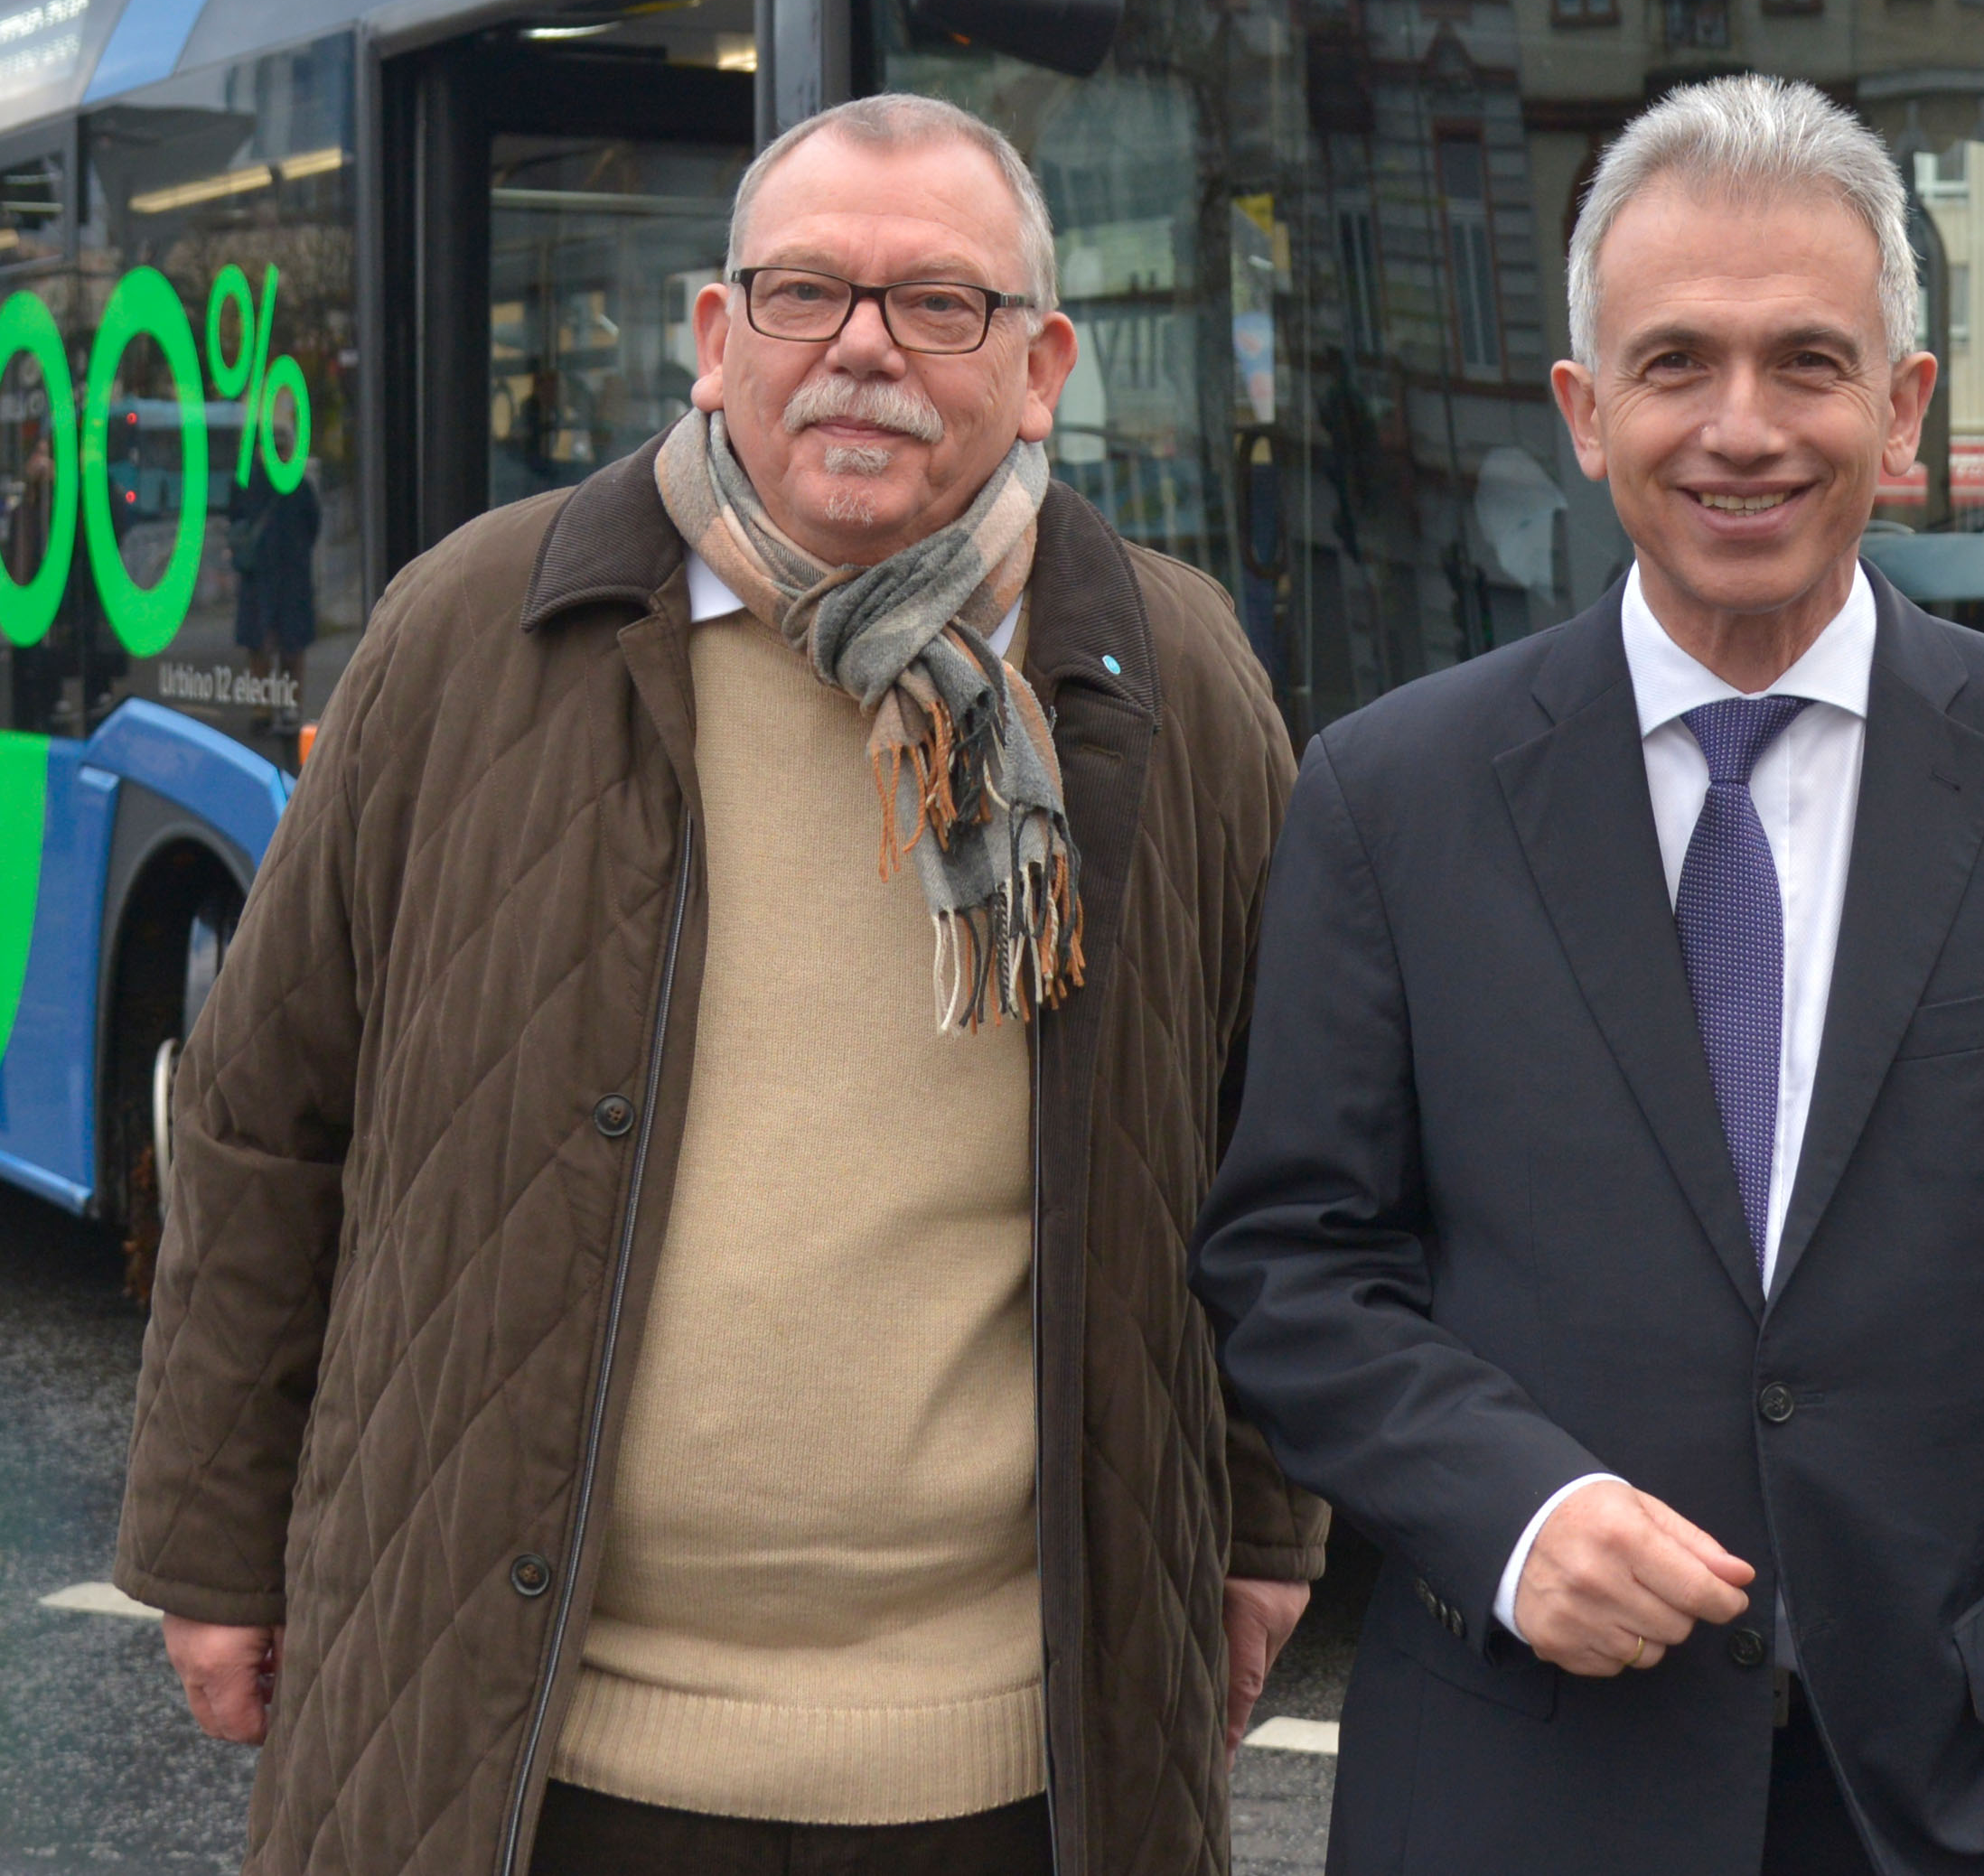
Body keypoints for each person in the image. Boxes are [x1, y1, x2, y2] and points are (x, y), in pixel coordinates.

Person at [117, 92, 1324, 1876]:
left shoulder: (1162, 673)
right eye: (802, 290)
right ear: (711, 337)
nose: (858, 344)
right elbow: (260, 1112)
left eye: (938, 302)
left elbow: (1271, 1140)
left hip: (1007, 1757)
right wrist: (213, 1542)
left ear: (1040, 360)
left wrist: (1262, 1521)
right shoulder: (478, 630)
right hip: (529, 1733)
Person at [1197, 76, 1984, 1874]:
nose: (1738, 427)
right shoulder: (1389, 792)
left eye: (1805, 361)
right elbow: (1292, 1266)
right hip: (1511, 1795)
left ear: (1901, 409)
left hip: (1962, 1807)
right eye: (1675, 361)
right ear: (1584, 410)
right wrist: (1509, 1507)